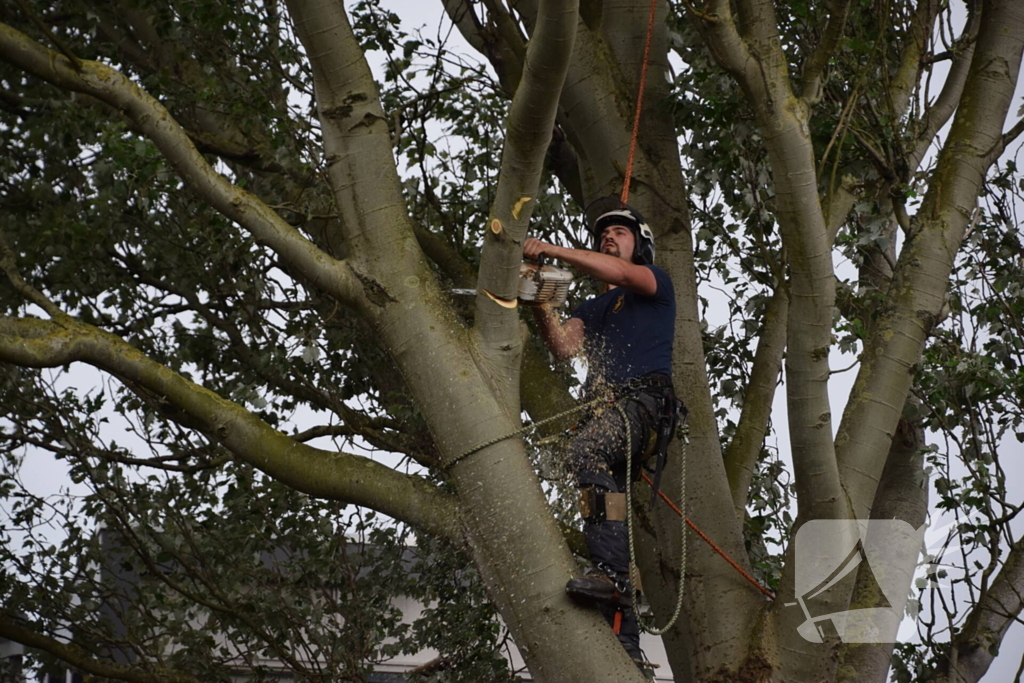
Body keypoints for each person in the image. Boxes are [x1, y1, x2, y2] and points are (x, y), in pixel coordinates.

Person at [523, 197, 677, 668]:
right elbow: (565, 346)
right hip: (609, 414)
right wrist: (540, 300)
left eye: (620, 233)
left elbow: (624, 273)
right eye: (603, 234)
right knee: (603, 497)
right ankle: (624, 639)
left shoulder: (654, 283)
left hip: (644, 404)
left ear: (639, 246)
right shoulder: (594, 306)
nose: (610, 237)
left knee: (584, 452)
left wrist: (550, 249)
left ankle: (609, 574)